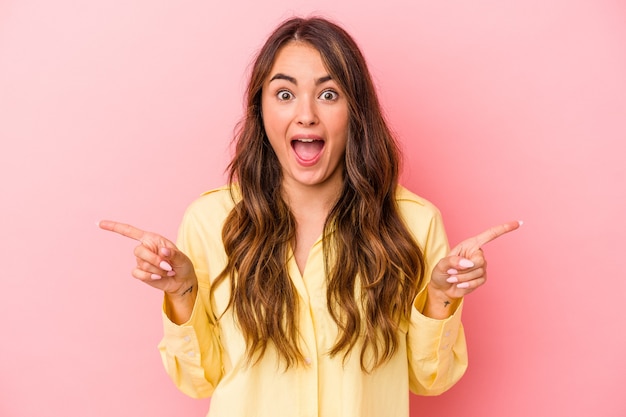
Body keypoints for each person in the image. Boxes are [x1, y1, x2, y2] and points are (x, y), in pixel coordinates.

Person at [99, 16, 520, 417]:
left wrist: (442, 296)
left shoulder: (414, 223)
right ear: (261, 112)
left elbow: (430, 379)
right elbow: (199, 381)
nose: (306, 115)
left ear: (356, 110)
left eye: (328, 93)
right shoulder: (210, 221)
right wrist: (182, 289)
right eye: (284, 94)